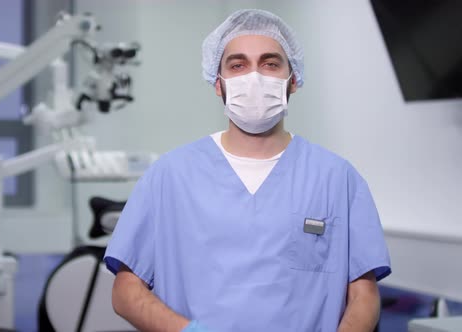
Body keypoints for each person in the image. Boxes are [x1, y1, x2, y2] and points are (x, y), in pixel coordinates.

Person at [103, 9, 391, 332]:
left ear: (293, 80)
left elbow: (364, 296)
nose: (254, 77)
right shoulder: (169, 177)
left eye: (270, 64)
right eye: (238, 65)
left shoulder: (338, 179)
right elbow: (126, 292)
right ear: (217, 82)